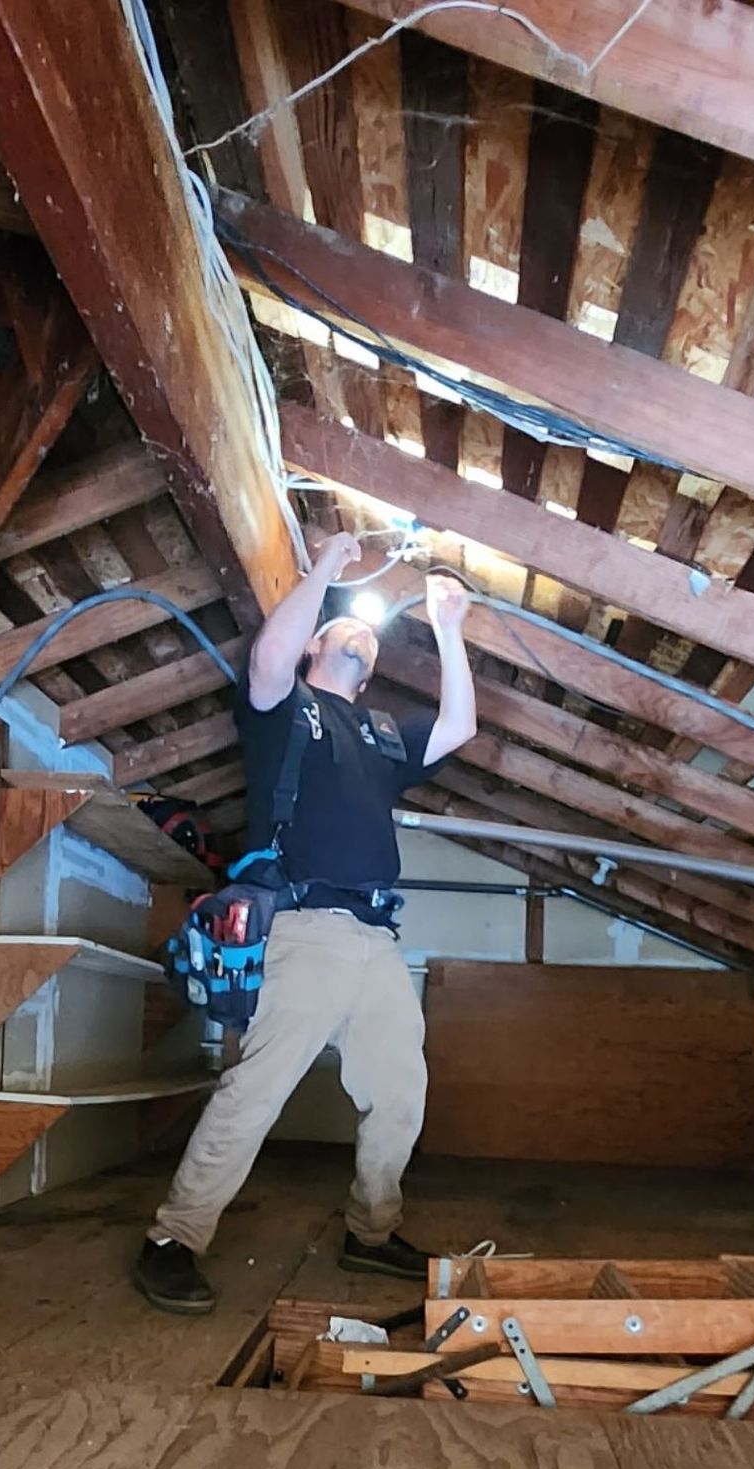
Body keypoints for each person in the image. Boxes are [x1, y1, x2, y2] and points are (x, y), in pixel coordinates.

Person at [135, 531, 478, 1314]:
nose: (361, 634)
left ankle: (371, 1230)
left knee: (401, 1095)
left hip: (376, 942)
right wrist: (327, 568)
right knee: (255, 1092)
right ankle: (174, 1238)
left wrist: (450, 630)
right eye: (343, 629)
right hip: (304, 929)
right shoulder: (285, 711)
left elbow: (457, 727)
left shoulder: (382, 735)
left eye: (368, 635)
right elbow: (265, 662)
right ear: (319, 645)